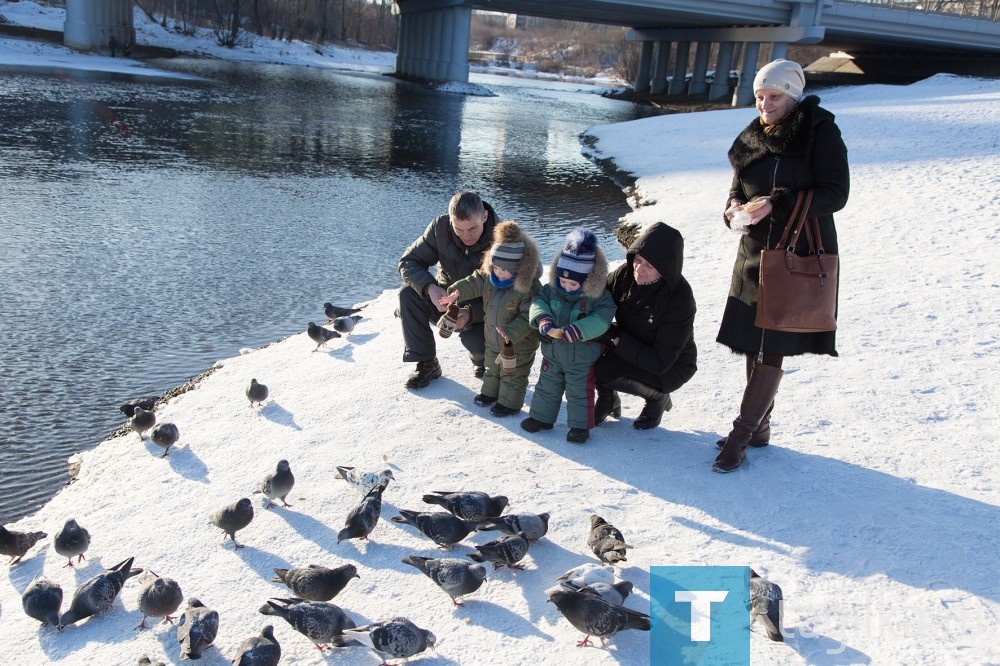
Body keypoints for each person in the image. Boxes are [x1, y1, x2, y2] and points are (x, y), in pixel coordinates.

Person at [713, 59, 849, 473]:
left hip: (797, 250)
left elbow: (836, 193)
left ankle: (741, 434)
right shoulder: (752, 136)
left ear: (792, 95)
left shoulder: (819, 130)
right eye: (759, 96)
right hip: (754, 251)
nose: (765, 104)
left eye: (774, 97)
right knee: (754, 342)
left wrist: (778, 202)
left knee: (773, 343)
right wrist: (734, 211)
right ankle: (761, 426)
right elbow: (736, 190)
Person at [594, 222, 697, 431]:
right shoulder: (625, 274)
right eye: (638, 260)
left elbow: (661, 361)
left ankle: (657, 398)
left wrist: (615, 338)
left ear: (666, 268)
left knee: (605, 368)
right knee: (586, 351)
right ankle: (607, 398)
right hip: (629, 345)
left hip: (669, 364)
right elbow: (597, 300)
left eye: (650, 266)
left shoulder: (680, 299)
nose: (639, 270)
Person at [521, 228, 616, 444]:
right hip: (553, 353)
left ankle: (579, 427)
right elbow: (538, 302)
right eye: (563, 281)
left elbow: (601, 319)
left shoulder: (599, 298)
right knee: (547, 386)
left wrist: (578, 330)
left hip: (581, 357)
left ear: (588, 280)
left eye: (573, 284)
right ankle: (541, 418)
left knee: (579, 393)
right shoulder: (552, 290)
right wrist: (543, 319)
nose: (567, 287)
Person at [440, 220, 542, 417]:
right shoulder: (489, 277)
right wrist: (456, 293)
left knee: (512, 373)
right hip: (493, 337)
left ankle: (509, 404)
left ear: (517, 269)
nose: (498, 272)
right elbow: (474, 282)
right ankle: (490, 393)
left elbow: (529, 315)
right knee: (492, 367)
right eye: (495, 267)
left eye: (503, 270)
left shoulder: (527, 288)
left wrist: (511, 333)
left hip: (517, 344)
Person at [398, 190, 498, 389]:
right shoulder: (440, 228)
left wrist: (470, 314)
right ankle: (427, 363)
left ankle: (482, 361)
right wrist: (430, 288)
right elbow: (408, 262)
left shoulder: (503, 238)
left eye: (472, 228)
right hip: (445, 301)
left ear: (484, 217)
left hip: (484, 310)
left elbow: (508, 296)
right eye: (459, 229)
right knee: (408, 295)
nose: (466, 236)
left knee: (478, 343)